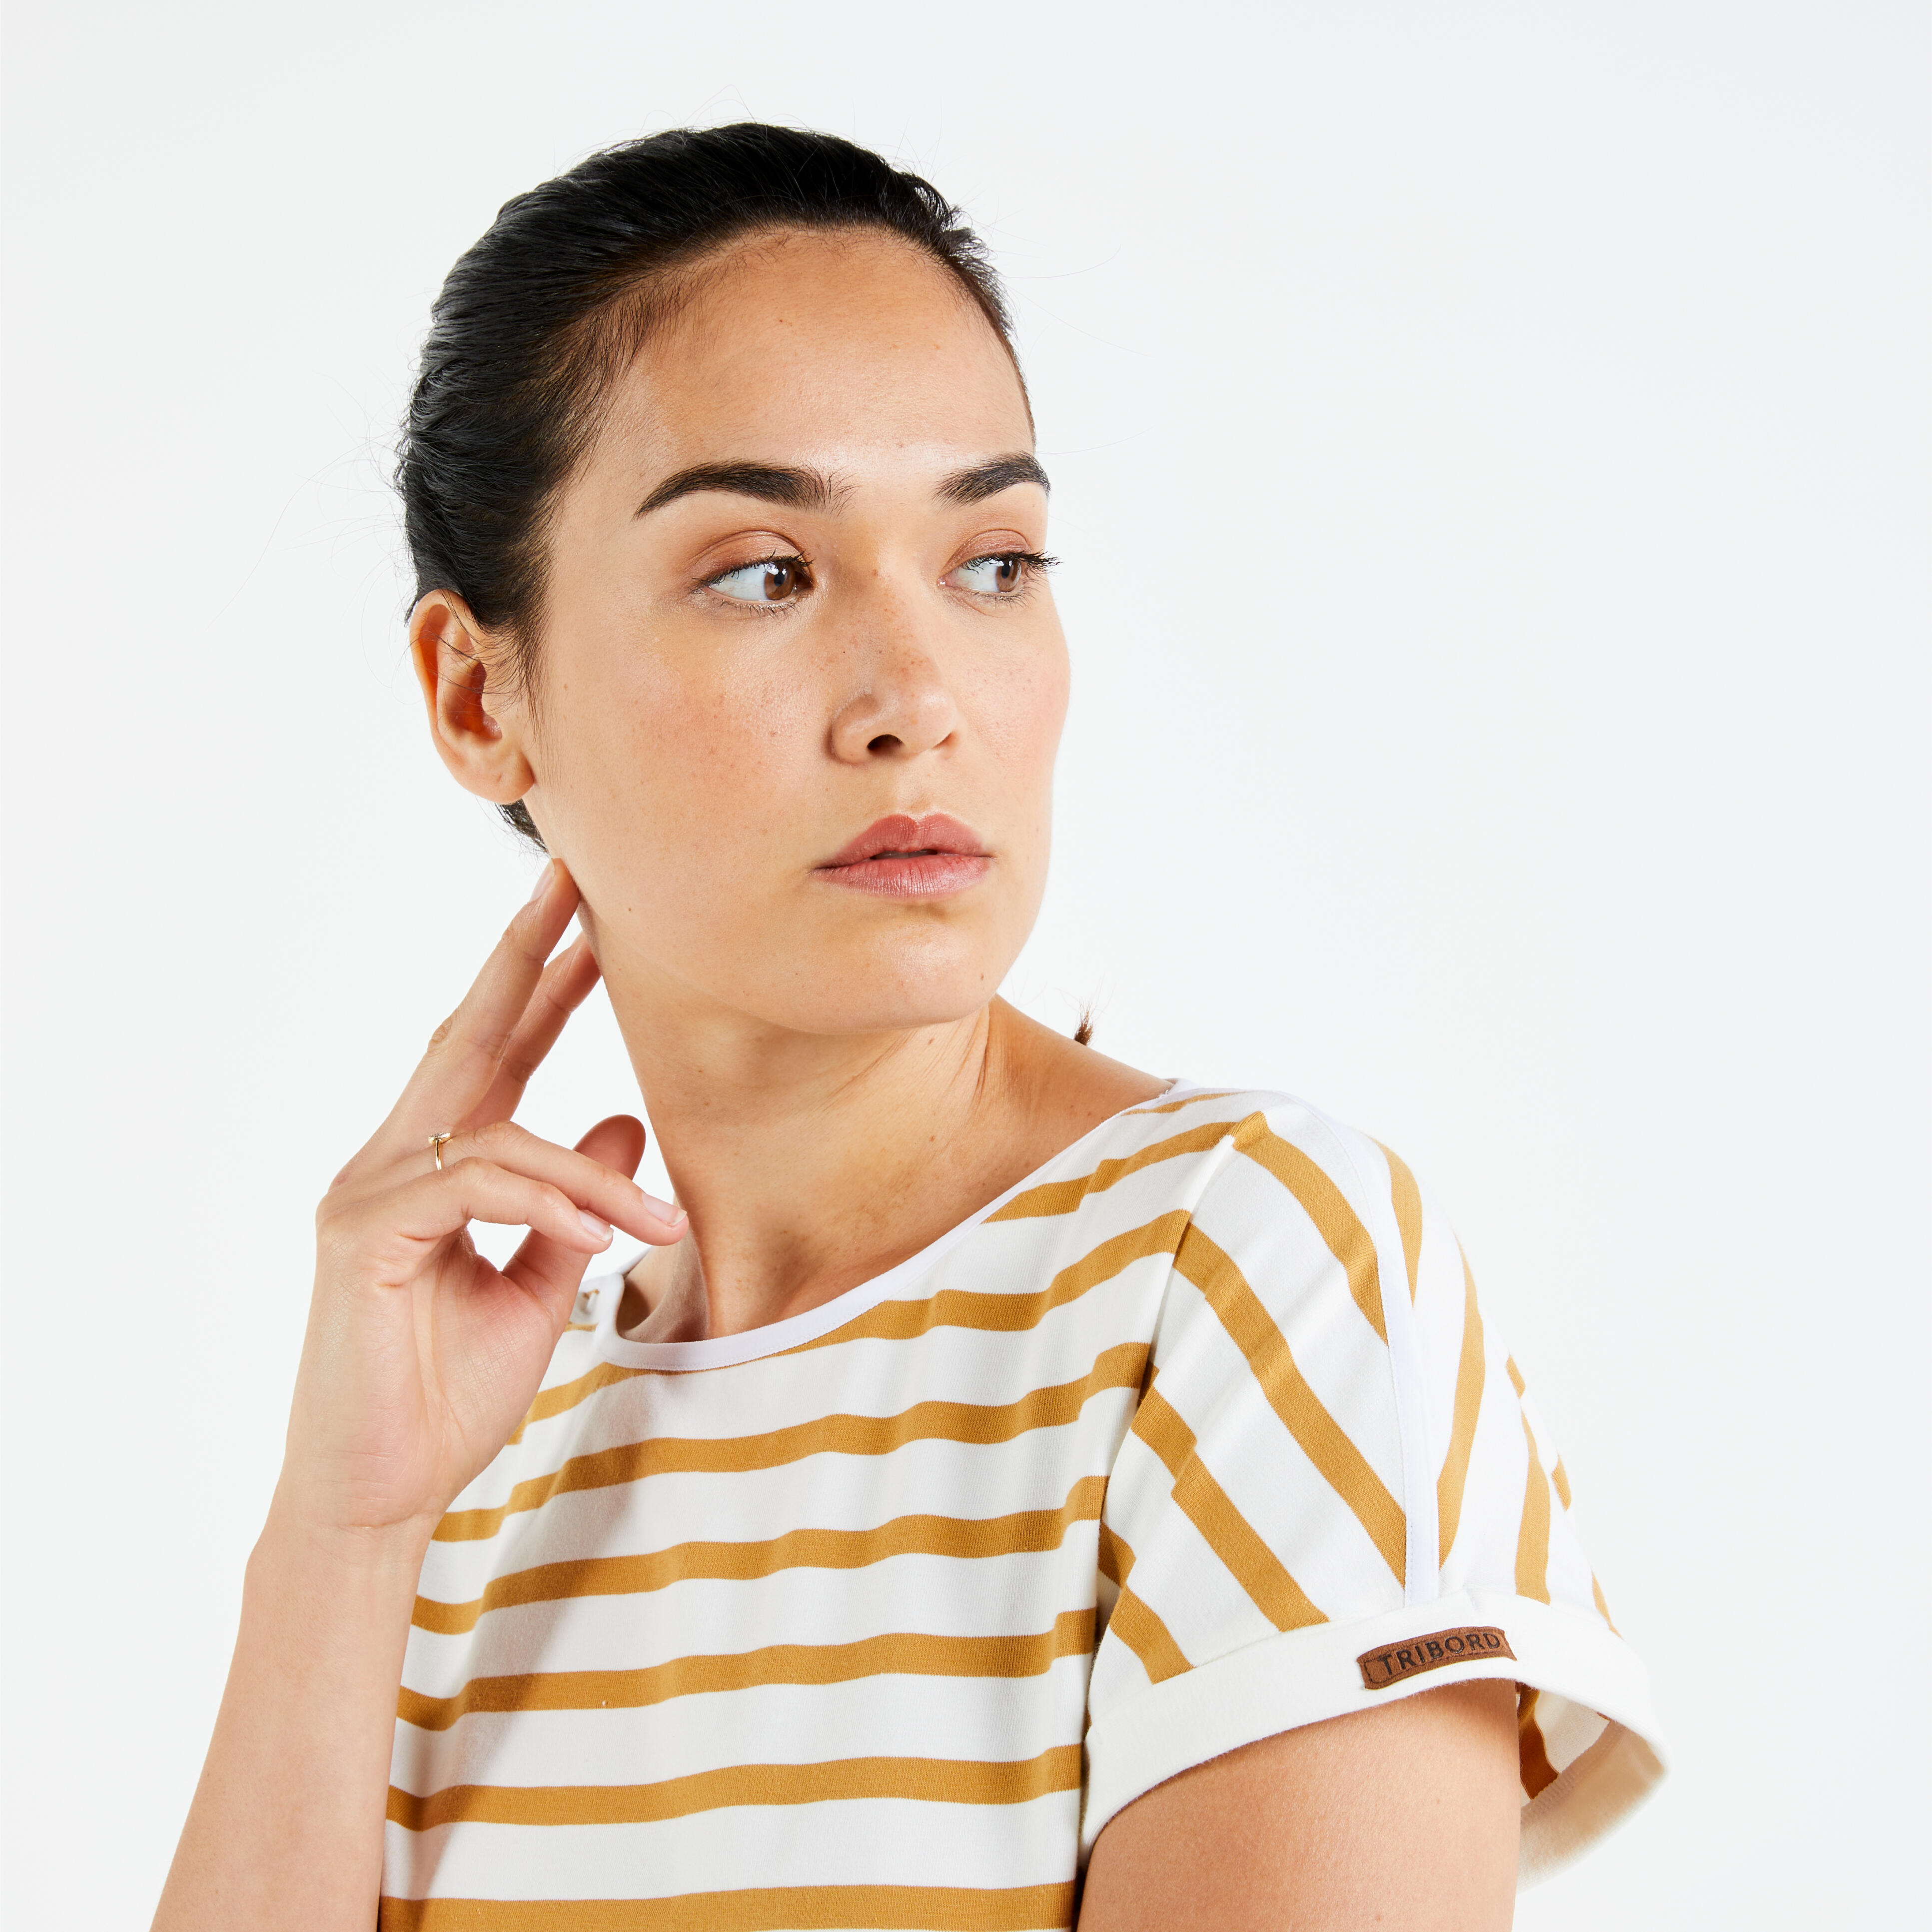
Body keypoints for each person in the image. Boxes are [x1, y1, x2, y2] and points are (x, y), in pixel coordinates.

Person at [154, 124, 1665, 1932]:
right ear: (482, 695)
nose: (915, 700)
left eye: (993, 560)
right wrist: (343, 1539)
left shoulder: (1249, 1268)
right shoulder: (464, 1430)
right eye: (764, 572)